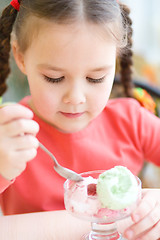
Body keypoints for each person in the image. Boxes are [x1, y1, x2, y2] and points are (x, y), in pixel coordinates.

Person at [0, 0, 160, 239]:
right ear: (21, 57)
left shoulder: (132, 122)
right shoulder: (9, 135)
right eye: (54, 78)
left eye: (95, 78)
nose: (75, 98)